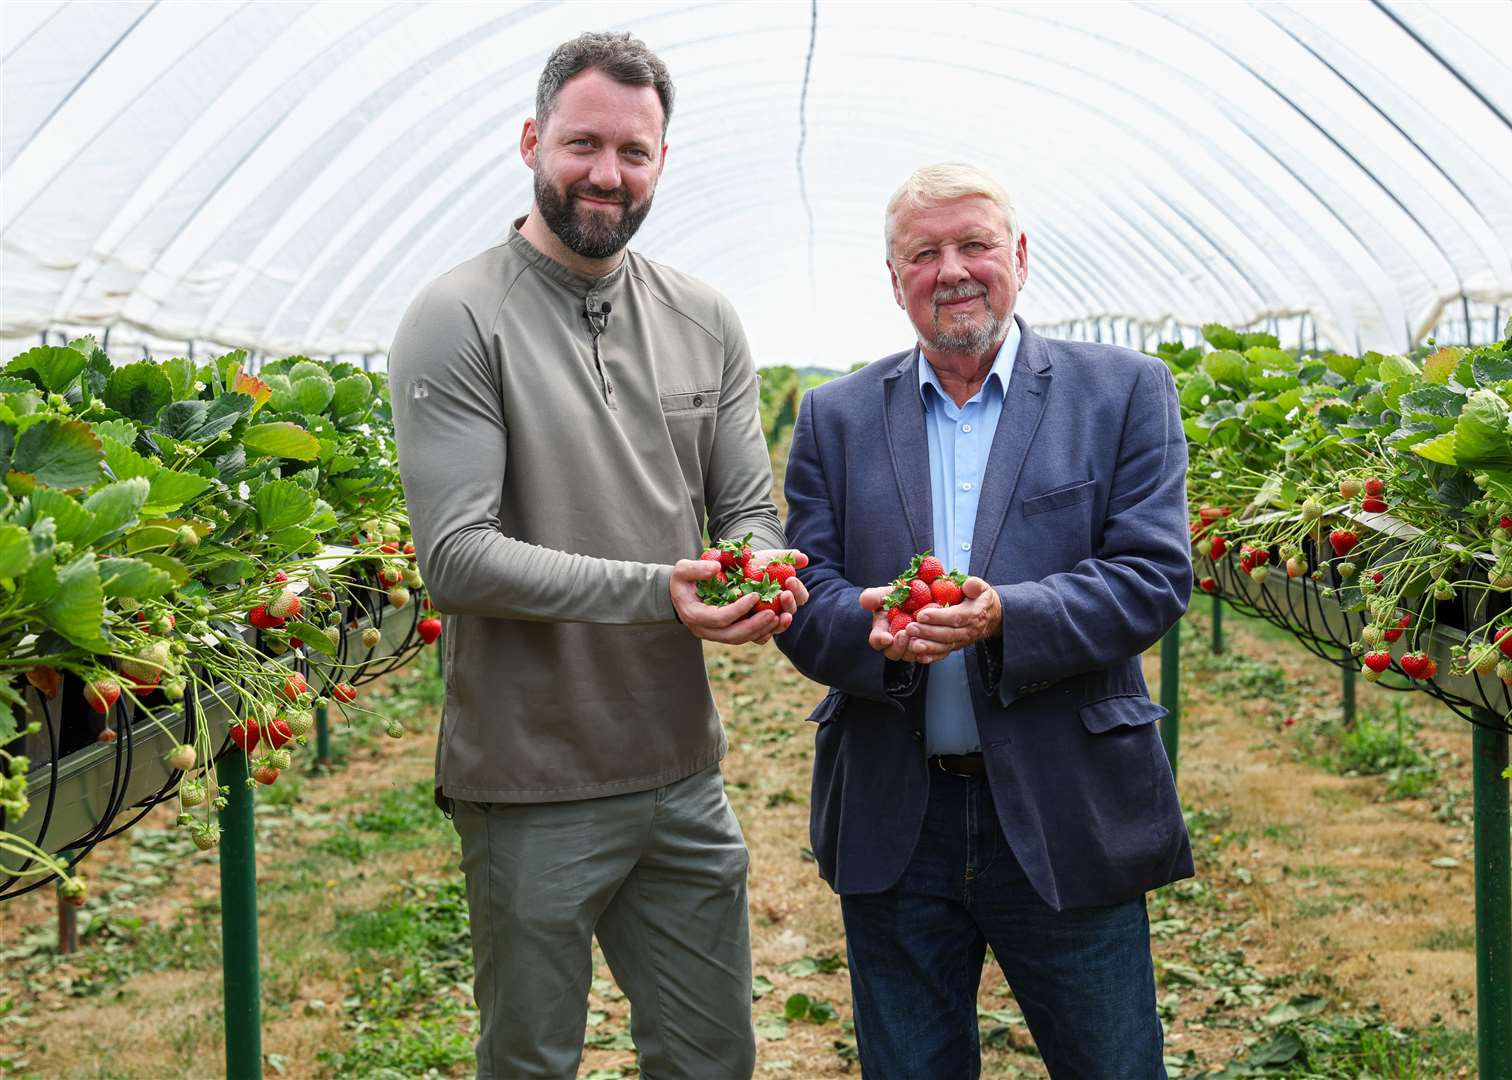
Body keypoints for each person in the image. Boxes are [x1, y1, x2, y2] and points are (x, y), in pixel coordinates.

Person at [387, 31, 805, 1080]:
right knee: (532, 1062)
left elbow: (749, 503)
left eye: (634, 152)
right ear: (534, 141)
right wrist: (662, 592)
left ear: (662, 162)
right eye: (583, 144)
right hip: (531, 779)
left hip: (679, 767)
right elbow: (458, 557)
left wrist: (758, 569)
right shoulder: (459, 315)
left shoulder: (704, 318)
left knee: (713, 1057)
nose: (607, 174)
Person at [775, 162, 1193, 1079]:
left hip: (1065, 800)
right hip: (898, 814)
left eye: (974, 245)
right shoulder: (835, 418)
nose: (952, 270)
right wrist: (870, 631)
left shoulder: (1123, 391)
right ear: (895, 281)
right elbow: (809, 604)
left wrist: (1007, 615)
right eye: (924, 254)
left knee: (1111, 1065)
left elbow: (1154, 576)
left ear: (1020, 258)